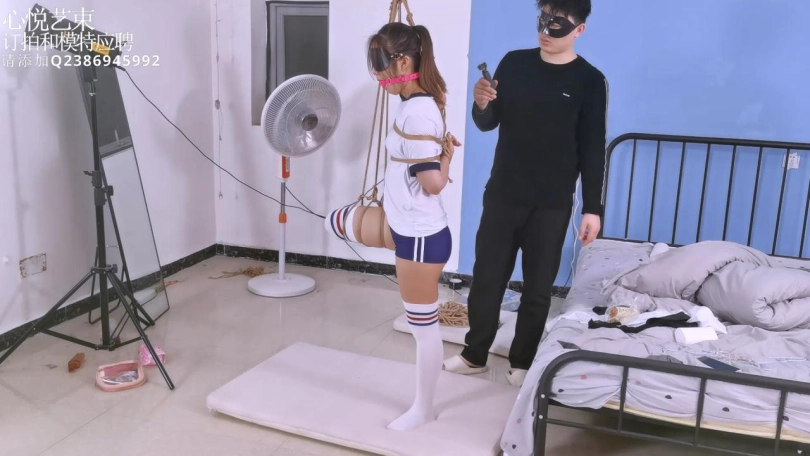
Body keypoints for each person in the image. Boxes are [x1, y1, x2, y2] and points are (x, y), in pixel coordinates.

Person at [442, 0, 608, 387]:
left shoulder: (589, 80)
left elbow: (592, 148)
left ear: (579, 30)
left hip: (552, 203)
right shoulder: (514, 63)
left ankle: (522, 361)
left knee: (537, 289)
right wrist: (481, 104)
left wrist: (593, 208)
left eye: (557, 23)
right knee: (487, 278)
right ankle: (474, 354)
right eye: (542, 19)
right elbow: (488, 122)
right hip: (503, 192)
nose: (545, 30)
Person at [366, 22, 461, 430]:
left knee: (423, 330)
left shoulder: (418, 111)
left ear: (403, 62)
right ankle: (423, 405)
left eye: (380, 64)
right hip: (411, 229)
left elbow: (433, 184)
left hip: (422, 237)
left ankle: (423, 409)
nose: (376, 74)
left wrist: (445, 159)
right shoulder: (412, 104)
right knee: (419, 324)